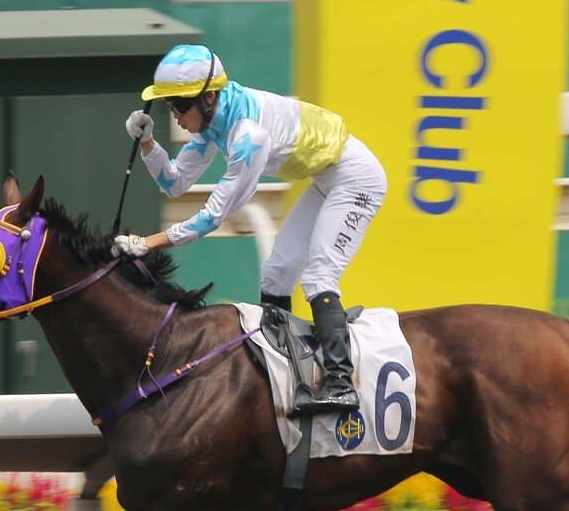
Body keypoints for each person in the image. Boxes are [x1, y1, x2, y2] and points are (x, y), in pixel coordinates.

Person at [113, 44, 387, 415]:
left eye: (179, 105)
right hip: (326, 179)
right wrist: (147, 144)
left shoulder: (248, 135)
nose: (175, 116)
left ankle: (340, 383)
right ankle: (288, 367)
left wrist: (148, 243)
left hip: (355, 179)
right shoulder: (215, 121)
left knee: (319, 275)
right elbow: (175, 183)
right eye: (168, 106)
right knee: (275, 275)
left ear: (208, 97)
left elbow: (213, 216)